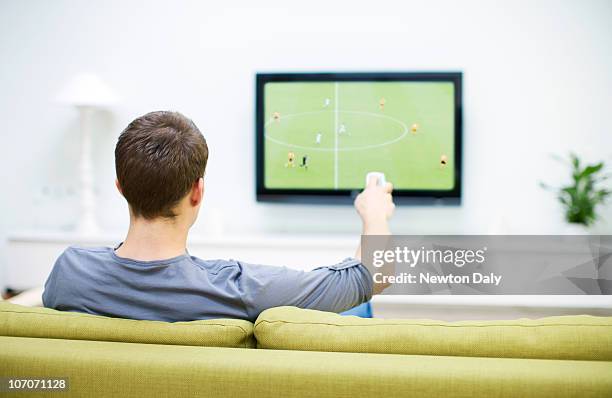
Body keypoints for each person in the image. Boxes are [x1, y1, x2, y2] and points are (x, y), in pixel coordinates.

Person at [42, 111, 395, 322]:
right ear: (198, 191)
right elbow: (374, 276)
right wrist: (374, 213)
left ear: (121, 187)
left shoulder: (69, 272)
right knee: (356, 312)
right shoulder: (236, 288)